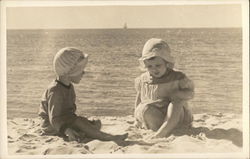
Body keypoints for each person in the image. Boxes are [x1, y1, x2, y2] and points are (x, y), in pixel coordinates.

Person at [38, 47, 128, 142]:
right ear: (69, 71)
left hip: (64, 120)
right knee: (79, 122)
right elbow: (54, 118)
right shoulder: (55, 90)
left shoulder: (69, 86)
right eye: (81, 70)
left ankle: (83, 132)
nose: (84, 73)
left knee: (96, 123)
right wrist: (67, 130)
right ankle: (108, 138)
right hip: (52, 125)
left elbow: (69, 111)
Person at [134, 38, 194, 138]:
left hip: (176, 117)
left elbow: (190, 93)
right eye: (150, 66)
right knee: (145, 108)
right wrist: (136, 119)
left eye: (158, 65)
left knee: (176, 103)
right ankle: (160, 130)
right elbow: (139, 98)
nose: (154, 69)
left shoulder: (177, 78)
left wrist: (179, 94)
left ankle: (163, 132)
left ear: (167, 63)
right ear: (145, 65)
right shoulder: (143, 80)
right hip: (157, 118)